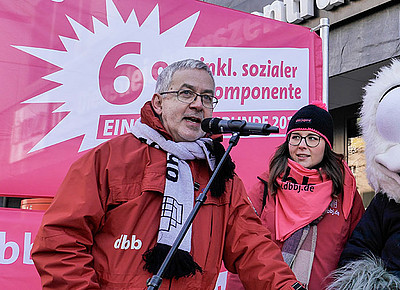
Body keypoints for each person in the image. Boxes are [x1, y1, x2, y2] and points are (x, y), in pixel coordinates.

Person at [31, 59, 307, 290]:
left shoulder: (220, 174)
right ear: (159, 103)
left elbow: (252, 248)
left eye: (207, 97)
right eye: (186, 93)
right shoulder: (108, 159)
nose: (198, 104)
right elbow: (59, 243)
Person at [226, 104, 365, 290]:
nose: (302, 145)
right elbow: (244, 248)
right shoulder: (266, 186)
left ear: (327, 145)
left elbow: (358, 255)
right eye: (296, 137)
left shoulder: (345, 193)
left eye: (312, 139)